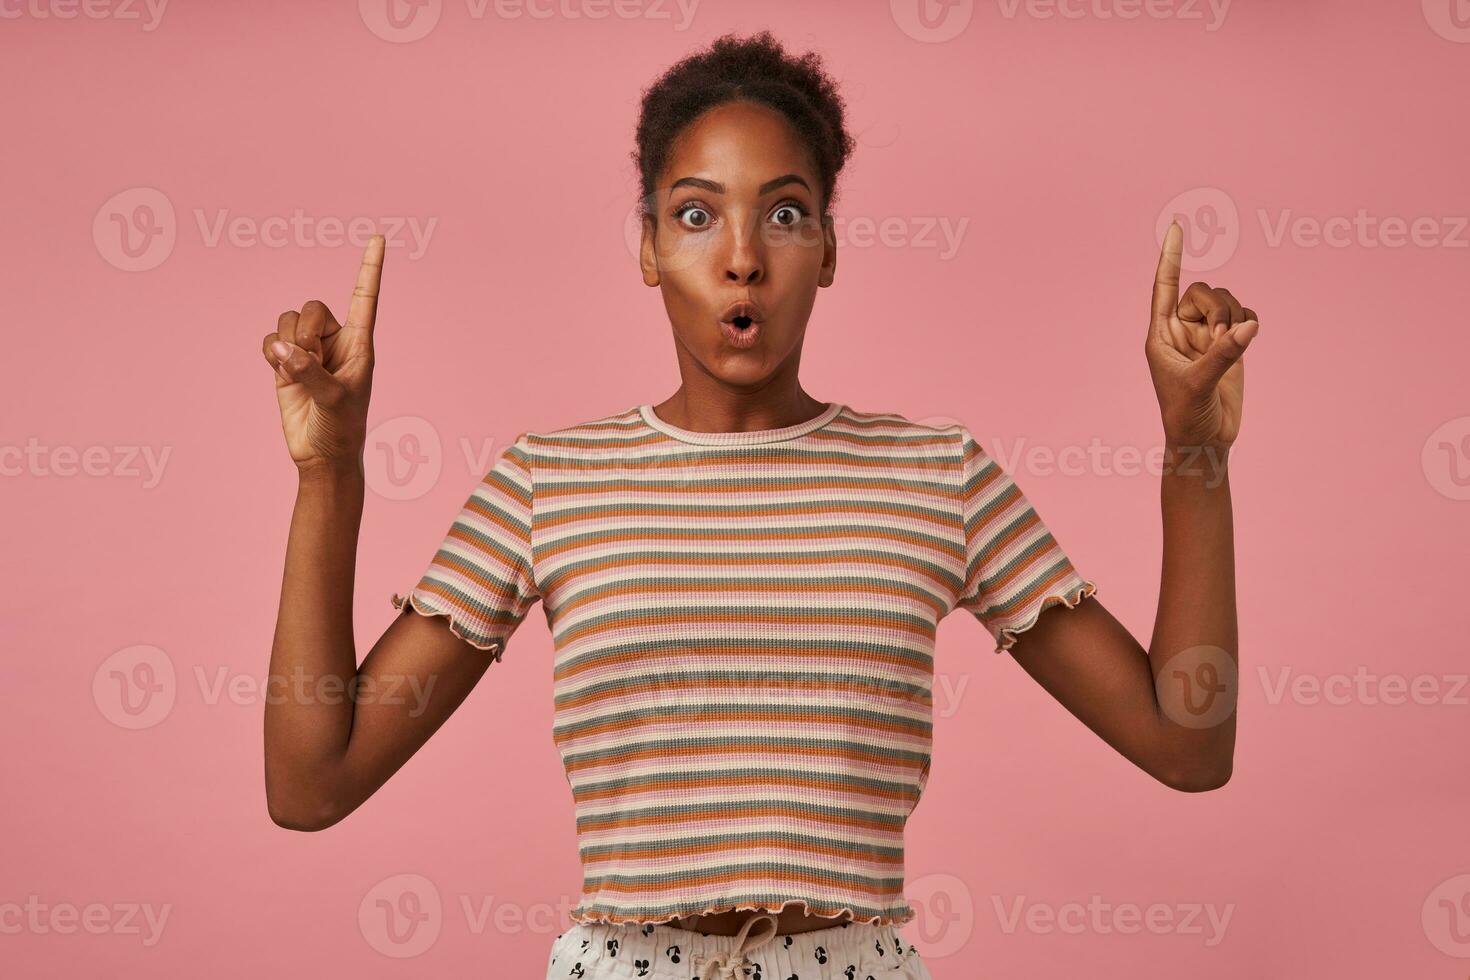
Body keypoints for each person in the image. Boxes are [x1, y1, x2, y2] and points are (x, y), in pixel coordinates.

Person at [260, 30, 1259, 980]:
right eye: (696, 214)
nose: (743, 256)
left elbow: (1186, 740)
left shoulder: (936, 474)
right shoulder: (547, 481)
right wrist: (331, 472)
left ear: (827, 247)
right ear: (647, 245)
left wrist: (1195, 454)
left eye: (784, 213)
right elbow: (312, 783)